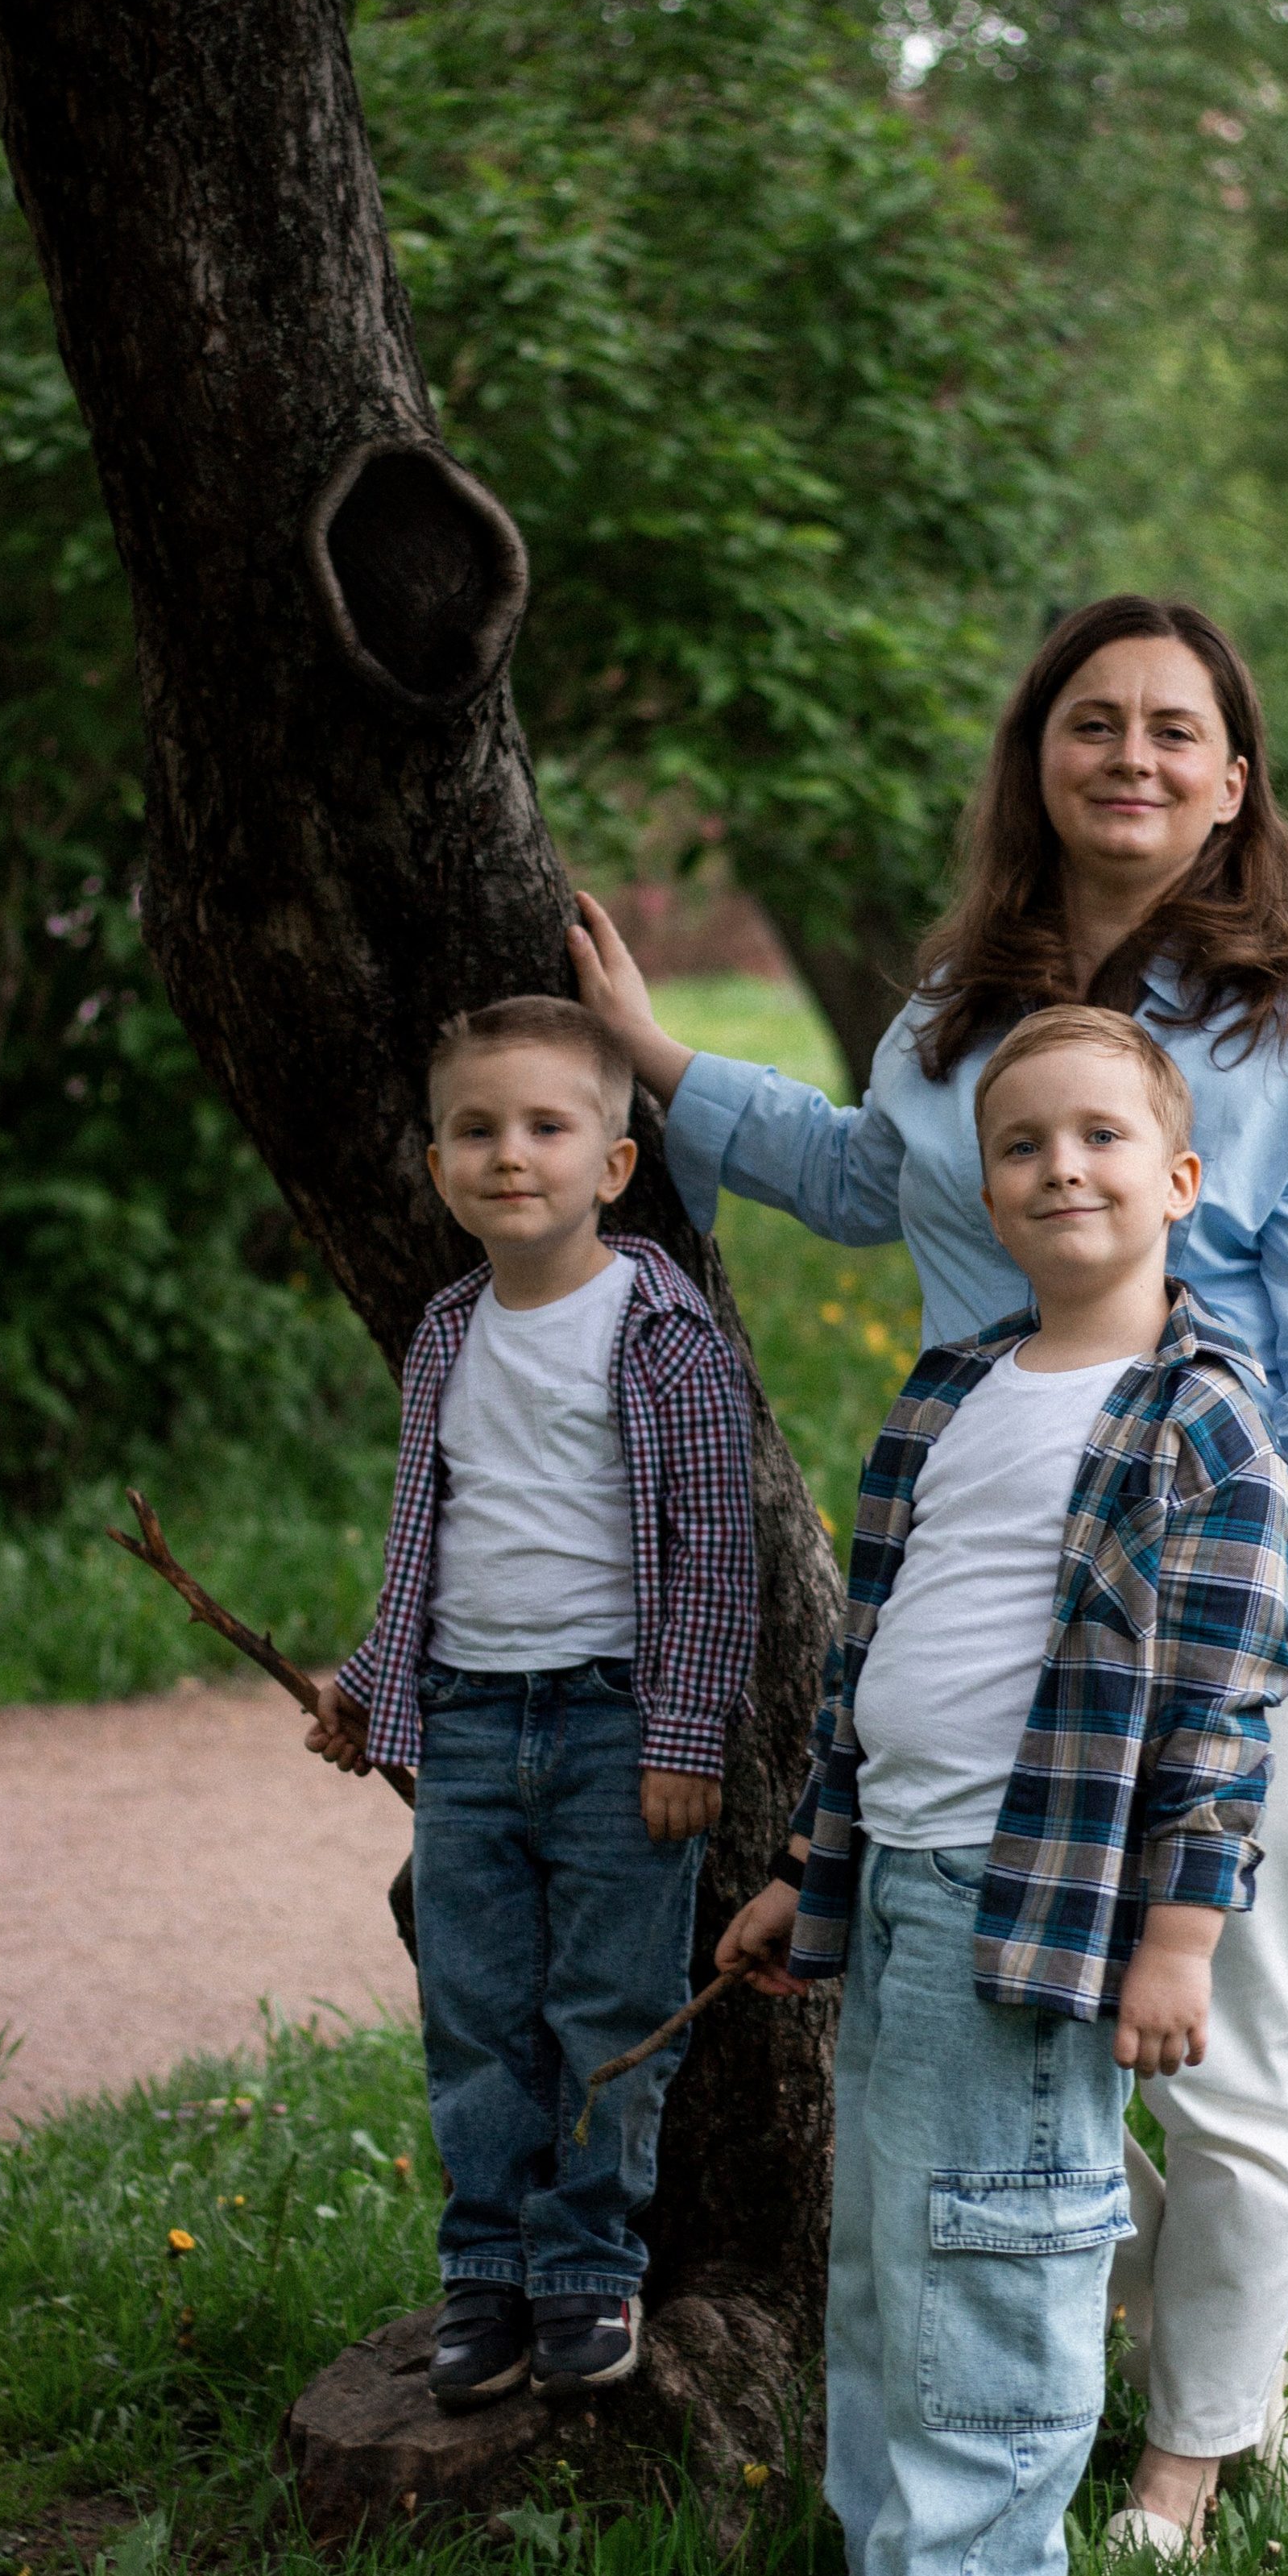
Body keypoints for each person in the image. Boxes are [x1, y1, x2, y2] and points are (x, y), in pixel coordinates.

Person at [569, 594, 1288, 2547]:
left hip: (1231, 1595)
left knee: (1211, 2028)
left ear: (1229, 788)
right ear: (1034, 764)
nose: (1126, 756)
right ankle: (1059, 2385)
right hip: (983, 1597)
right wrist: (649, 1056)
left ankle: (1198, 2461)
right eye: (1087, 725)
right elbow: (865, 1183)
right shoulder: (948, 1019)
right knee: (1027, 2014)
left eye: (1169, 731)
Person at [714, 1006, 1288, 2576]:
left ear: (1180, 1179)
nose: (1060, 1167)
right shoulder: (953, 1392)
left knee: (993, 2259)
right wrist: (803, 1868)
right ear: (979, 1190)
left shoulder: (1202, 1428)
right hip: (898, 1887)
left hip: (1034, 1913)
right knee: (888, 2263)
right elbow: (872, 1665)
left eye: (1100, 1139)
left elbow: (1217, 1716)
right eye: (1021, 1144)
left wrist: (1180, 1939)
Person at [303, 997, 757, 2408]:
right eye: (477, 1130)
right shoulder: (449, 1331)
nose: (512, 1155)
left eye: (549, 1127)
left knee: (606, 2000)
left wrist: (685, 1735)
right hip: (472, 1724)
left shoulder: (660, 1328)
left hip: (620, 1725)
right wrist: (374, 1685)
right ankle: (485, 2268)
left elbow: (715, 1550)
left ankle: (584, 2266)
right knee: (479, 2005)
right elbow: (427, 1529)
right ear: (438, 1166)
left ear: (613, 1166)